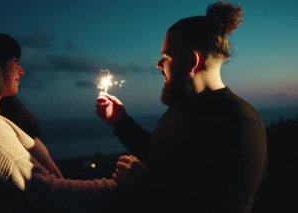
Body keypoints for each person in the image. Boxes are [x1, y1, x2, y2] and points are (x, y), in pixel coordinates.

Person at [0, 31, 146, 213]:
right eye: (15, 62)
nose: (22, 71)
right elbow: (45, 194)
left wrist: (120, 121)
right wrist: (120, 187)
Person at [96, 1, 267, 212]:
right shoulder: (183, 107)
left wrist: (144, 185)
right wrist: (120, 121)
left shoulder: (240, 124)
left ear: (192, 61)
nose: (158, 65)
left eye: (165, 57)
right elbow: (161, 156)